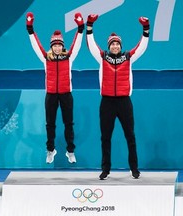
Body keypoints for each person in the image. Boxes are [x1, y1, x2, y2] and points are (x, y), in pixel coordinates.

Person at [86, 14, 150, 179]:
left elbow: (141, 47)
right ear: (109, 46)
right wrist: (90, 25)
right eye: (112, 44)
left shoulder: (128, 57)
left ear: (120, 46)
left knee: (130, 136)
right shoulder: (102, 57)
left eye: (117, 44)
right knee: (105, 137)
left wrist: (145, 29)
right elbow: (91, 45)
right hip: (107, 102)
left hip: (124, 102)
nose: (115, 46)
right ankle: (105, 169)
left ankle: (134, 169)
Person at [26, 12, 84, 164]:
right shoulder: (46, 58)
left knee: (69, 124)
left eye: (59, 45)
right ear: (52, 47)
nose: (57, 48)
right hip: (51, 94)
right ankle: (51, 150)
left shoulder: (69, 57)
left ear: (62, 46)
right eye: (55, 45)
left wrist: (80, 28)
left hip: (66, 94)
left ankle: (70, 151)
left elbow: (76, 44)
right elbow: (36, 46)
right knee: (50, 124)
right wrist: (30, 28)